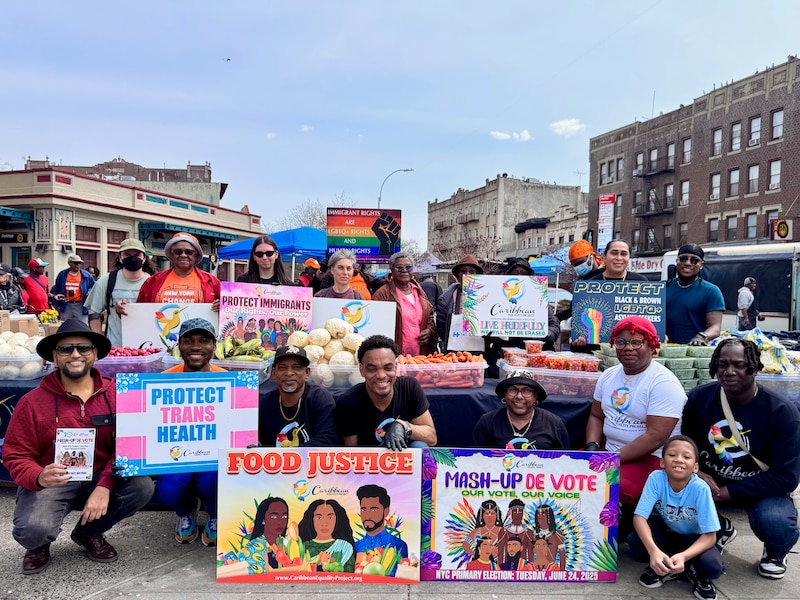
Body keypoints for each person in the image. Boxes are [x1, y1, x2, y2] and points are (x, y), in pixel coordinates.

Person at [3, 319, 154, 574]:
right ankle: (38, 546)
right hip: (53, 481)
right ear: (54, 356)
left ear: (95, 354)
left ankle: (88, 532)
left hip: (101, 476)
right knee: (33, 531)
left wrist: (105, 485)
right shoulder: (31, 402)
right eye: (65, 349)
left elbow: (129, 444)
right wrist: (38, 476)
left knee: (142, 486)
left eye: (83, 348)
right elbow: (15, 454)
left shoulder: (116, 394)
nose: (75, 354)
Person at [681, 338, 800, 580]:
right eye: (722, 364)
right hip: (708, 483)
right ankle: (721, 528)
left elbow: (786, 478)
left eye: (738, 364)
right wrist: (696, 471)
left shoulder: (782, 412)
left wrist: (726, 493)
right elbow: (687, 445)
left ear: (754, 367)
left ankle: (776, 551)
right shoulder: (700, 398)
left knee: (775, 522)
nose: (729, 371)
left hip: (760, 488)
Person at [585, 316, 686, 515]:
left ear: (652, 346)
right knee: (563, 470)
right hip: (610, 452)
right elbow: (596, 416)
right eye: (621, 342)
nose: (627, 348)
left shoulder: (663, 383)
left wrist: (610, 460)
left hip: (651, 458)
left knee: (605, 485)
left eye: (636, 342)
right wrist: (592, 447)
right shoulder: (608, 375)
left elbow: (656, 437)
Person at [156, 318, 225, 546]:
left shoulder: (228, 381)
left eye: (204, 341)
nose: (196, 346)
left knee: (212, 481)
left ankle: (215, 515)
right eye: (189, 341)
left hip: (212, 457)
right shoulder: (164, 380)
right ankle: (187, 512)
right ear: (180, 346)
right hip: (176, 456)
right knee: (166, 490)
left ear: (214, 346)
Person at [628, 435, 723, 600]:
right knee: (636, 544)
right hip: (668, 531)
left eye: (686, 457)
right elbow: (639, 517)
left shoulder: (700, 488)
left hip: (694, 537)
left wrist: (684, 556)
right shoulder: (656, 478)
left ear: (695, 467)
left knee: (712, 567)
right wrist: (653, 551)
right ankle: (667, 564)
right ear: (662, 463)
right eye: (672, 455)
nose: (679, 460)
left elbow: (710, 536)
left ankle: (685, 567)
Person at [336, 334, 437, 449]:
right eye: (372, 369)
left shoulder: (409, 387)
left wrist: (403, 426)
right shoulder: (348, 401)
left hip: (404, 459)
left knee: (420, 446)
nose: (381, 375)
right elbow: (351, 452)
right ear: (362, 370)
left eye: (388, 368)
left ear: (395, 367)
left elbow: (431, 438)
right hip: (368, 462)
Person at [485, 258, 561, 374]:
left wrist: (542, 336)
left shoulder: (539, 300)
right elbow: (485, 328)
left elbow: (553, 326)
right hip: (505, 358)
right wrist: (492, 333)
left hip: (533, 359)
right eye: (515, 273)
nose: (519, 276)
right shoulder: (497, 300)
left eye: (524, 273)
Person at [258, 345, 337, 447]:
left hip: (310, 462)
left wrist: (290, 456)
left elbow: (326, 440)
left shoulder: (320, 399)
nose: (289, 373)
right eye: (282, 368)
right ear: (273, 373)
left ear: (307, 373)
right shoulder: (264, 403)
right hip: (273, 462)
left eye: (297, 367)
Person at [473, 370, 568, 450]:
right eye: (512, 390)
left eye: (527, 391)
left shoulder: (554, 424)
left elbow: (565, 462)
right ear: (505, 394)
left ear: (535, 396)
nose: (519, 396)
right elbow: (474, 461)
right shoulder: (487, 422)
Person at [85, 238, 152, 347]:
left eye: (137, 254)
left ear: (144, 258)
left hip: (147, 347)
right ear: (120, 258)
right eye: (127, 254)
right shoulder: (106, 280)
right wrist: (99, 343)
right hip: (115, 348)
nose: (132, 258)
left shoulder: (153, 282)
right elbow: (94, 313)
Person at [372, 251, 436, 356]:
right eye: (400, 268)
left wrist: (429, 330)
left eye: (408, 267)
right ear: (392, 270)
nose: (405, 271)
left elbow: (429, 314)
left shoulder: (419, 291)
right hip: (394, 355)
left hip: (419, 355)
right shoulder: (382, 294)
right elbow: (376, 324)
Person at [137, 232, 220, 309]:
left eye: (189, 252)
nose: (183, 255)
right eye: (178, 251)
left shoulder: (212, 282)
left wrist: (223, 308)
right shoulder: (152, 282)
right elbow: (139, 312)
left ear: (196, 255)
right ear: (172, 254)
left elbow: (229, 313)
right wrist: (125, 308)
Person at [665, 244, 725, 345]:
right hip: (661, 348)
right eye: (683, 259)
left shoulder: (711, 291)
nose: (688, 263)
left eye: (694, 260)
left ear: (701, 265)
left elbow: (715, 327)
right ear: (677, 261)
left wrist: (702, 337)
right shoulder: (661, 288)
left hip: (694, 351)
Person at [354, 484, 409, 576]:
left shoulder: (399, 545)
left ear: (386, 511)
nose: (367, 516)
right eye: (363, 509)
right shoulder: (355, 546)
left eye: (373, 510)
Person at [436, 254, 483, 351]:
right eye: (463, 271)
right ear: (458, 275)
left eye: (472, 271)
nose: (467, 274)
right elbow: (441, 329)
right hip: (454, 351)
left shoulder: (486, 296)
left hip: (481, 351)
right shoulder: (446, 299)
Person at [298, 498, 356, 572]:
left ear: (337, 520)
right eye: (319, 517)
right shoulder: (303, 547)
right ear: (312, 519)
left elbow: (350, 576)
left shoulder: (345, 547)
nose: (324, 523)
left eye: (330, 517)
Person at [239, 497, 290, 570]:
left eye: (284, 516)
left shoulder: (287, 544)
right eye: (273, 517)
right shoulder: (254, 549)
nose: (280, 522)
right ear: (263, 519)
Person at [50, 254, 95, 323]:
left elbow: (93, 287)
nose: (78, 265)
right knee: (65, 326)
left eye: (80, 263)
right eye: (76, 263)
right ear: (69, 263)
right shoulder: (62, 274)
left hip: (81, 305)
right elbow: (57, 288)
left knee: (83, 326)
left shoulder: (86, 275)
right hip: (66, 305)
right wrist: (57, 297)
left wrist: (89, 292)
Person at [496, 499, 535, 565]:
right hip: (507, 568)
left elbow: (531, 553)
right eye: (514, 511)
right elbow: (501, 552)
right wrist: (501, 568)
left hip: (524, 568)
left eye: (520, 511)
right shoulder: (504, 531)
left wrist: (530, 568)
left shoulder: (528, 532)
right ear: (510, 513)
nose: (517, 514)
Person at [532, 504, 566, 570]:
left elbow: (562, 557)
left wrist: (562, 573)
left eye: (543, 514)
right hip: (536, 571)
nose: (540, 516)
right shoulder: (533, 535)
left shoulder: (558, 535)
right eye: (538, 514)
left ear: (549, 516)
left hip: (552, 570)